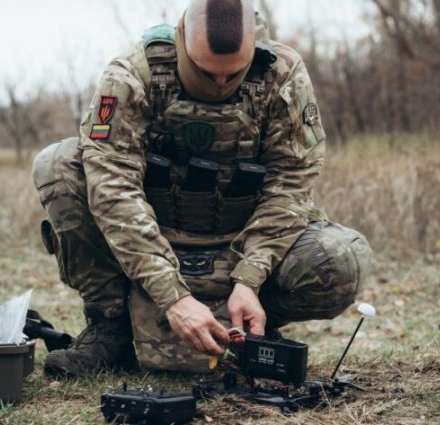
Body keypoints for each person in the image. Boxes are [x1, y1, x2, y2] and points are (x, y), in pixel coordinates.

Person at [32, 0, 372, 377]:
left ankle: (253, 326)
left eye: (234, 73)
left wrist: (250, 279)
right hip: (153, 236)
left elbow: (290, 185)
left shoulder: (282, 73)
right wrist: (172, 295)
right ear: (181, 42)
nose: (220, 84)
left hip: (239, 239)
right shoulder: (132, 75)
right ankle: (111, 327)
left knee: (342, 258)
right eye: (206, 73)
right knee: (58, 164)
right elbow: (114, 192)